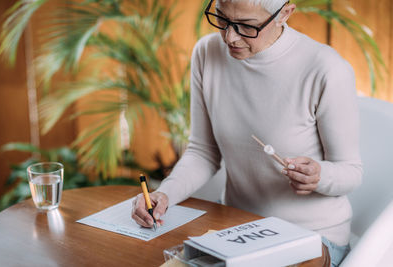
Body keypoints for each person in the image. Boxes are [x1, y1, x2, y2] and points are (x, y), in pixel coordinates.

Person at [132, 0, 362, 266]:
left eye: (246, 26)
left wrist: (320, 176)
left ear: (285, 13)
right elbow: (203, 152)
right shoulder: (207, 54)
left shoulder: (326, 68)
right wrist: (164, 194)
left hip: (312, 235)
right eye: (222, 19)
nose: (230, 37)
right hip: (236, 226)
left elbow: (351, 172)